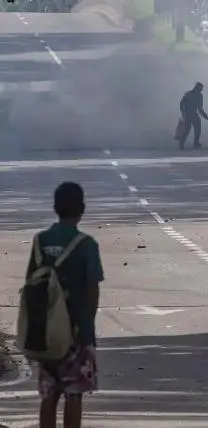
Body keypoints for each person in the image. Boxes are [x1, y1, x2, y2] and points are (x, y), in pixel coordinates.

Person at [29, 182, 104, 428]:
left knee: (49, 392)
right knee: (74, 392)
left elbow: (31, 282)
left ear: (55, 208)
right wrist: (87, 328)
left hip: (46, 331)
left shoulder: (40, 241)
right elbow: (93, 289)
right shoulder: (87, 245)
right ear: (81, 209)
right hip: (76, 331)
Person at [178, 82, 208, 149]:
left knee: (198, 128)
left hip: (194, 114)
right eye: (200, 88)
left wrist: (204, 114)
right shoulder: (188, 94)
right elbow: (181, 104)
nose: (201, 90)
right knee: (187, 130)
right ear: (196, 88)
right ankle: (181, 144)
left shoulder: (200, 96)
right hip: (188, 114)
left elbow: (200, 108)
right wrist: (183, 113)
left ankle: (196, 142)